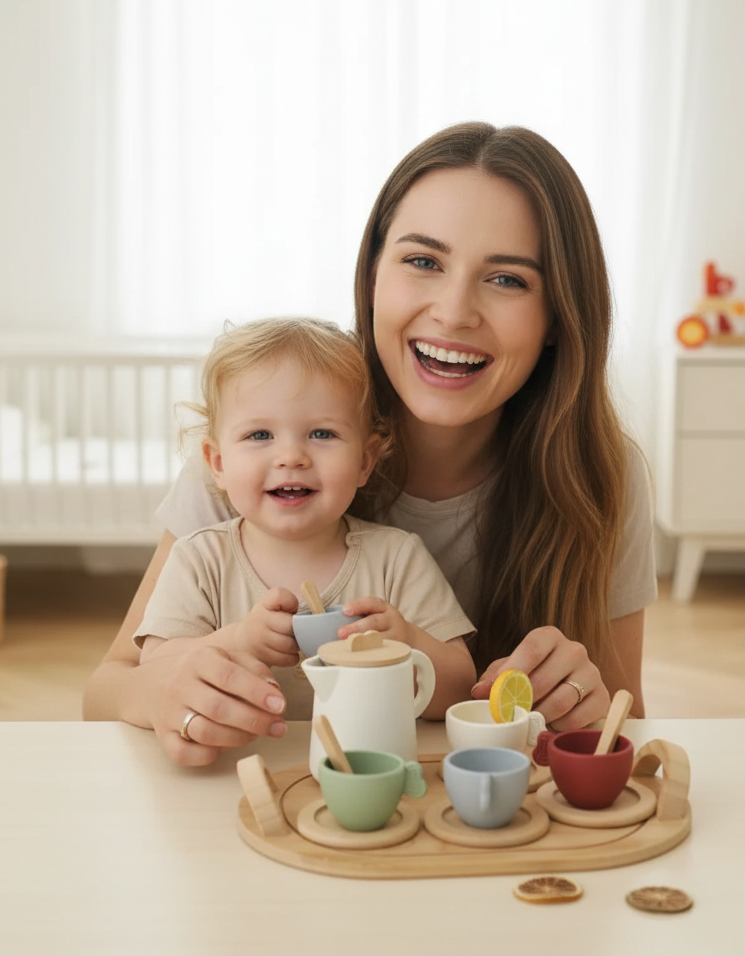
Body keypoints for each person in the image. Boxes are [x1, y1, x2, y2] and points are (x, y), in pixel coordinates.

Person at [83, 121, 657, 766]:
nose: (454, 310)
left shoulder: (600, 475)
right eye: (422, 261)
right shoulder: (255, 451)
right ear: (374, 275)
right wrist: (164, 691)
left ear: (559, 316)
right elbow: (108, 686)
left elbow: (621, 717)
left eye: (507, 279)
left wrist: (582, 698)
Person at [133, 316, 476, 722]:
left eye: (322, 434)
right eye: (260, 435)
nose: (291, 456)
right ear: (218, 464)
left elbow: (460, 691)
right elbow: (152, 670)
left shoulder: (397, 558)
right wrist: (237, 640)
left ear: (365, 461)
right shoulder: (199, 559)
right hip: (236, 771)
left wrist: (406, 642)